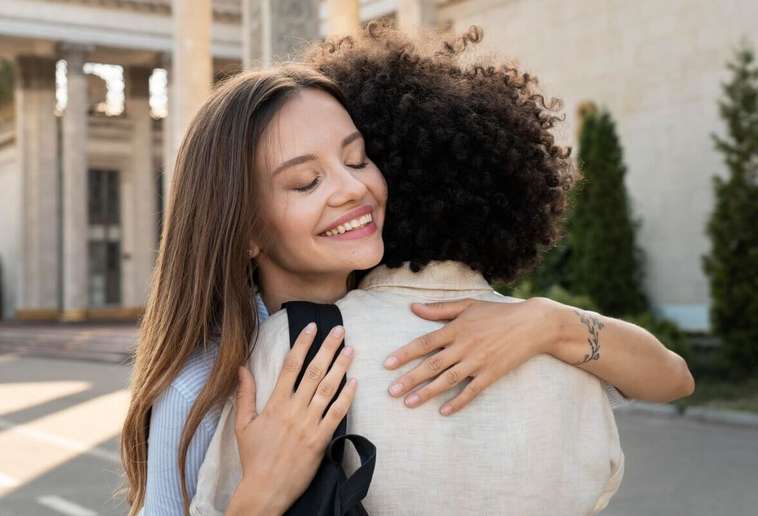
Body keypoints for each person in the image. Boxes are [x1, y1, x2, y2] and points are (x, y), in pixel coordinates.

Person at [120, 25, 694, 516]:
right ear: (242, 227)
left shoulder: (436, 318)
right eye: (305, 181)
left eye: (357, 158)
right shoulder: (207, 380)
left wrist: (549, 322)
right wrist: (263, 494)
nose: (353, 189)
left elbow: (672, 376)